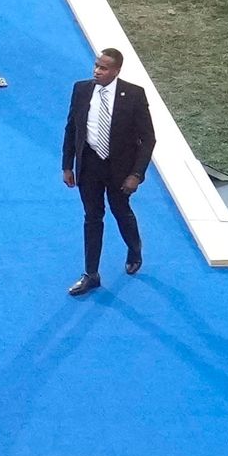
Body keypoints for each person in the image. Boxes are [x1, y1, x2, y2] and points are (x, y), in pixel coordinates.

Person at [60, 42, 156, 296]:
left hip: (120, 169)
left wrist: (136, 174)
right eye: (96, 66)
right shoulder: (81, 90)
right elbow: (72, 129)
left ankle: (134, 249)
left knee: (121, 211)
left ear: (116, 71)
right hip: (89, 165)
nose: (97, 71)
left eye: (103, 68)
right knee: (92, 217)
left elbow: (148, 139)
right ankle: (91, 274)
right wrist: (67, 165)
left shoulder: (134, 95)